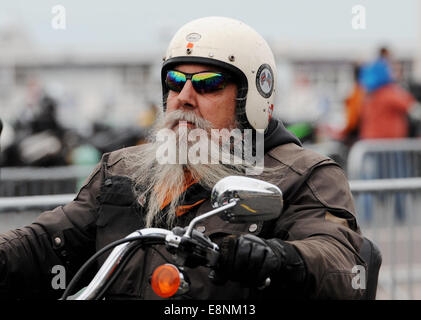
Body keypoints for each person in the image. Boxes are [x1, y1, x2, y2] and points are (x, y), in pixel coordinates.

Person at [0, 17, 367, 300]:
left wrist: (275, 259)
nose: (184, 96)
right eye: (175, 81)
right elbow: (46, 241)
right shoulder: (124, 170)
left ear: (250, 97)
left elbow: (339, 264)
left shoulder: (302, 176)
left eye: (208, 84)